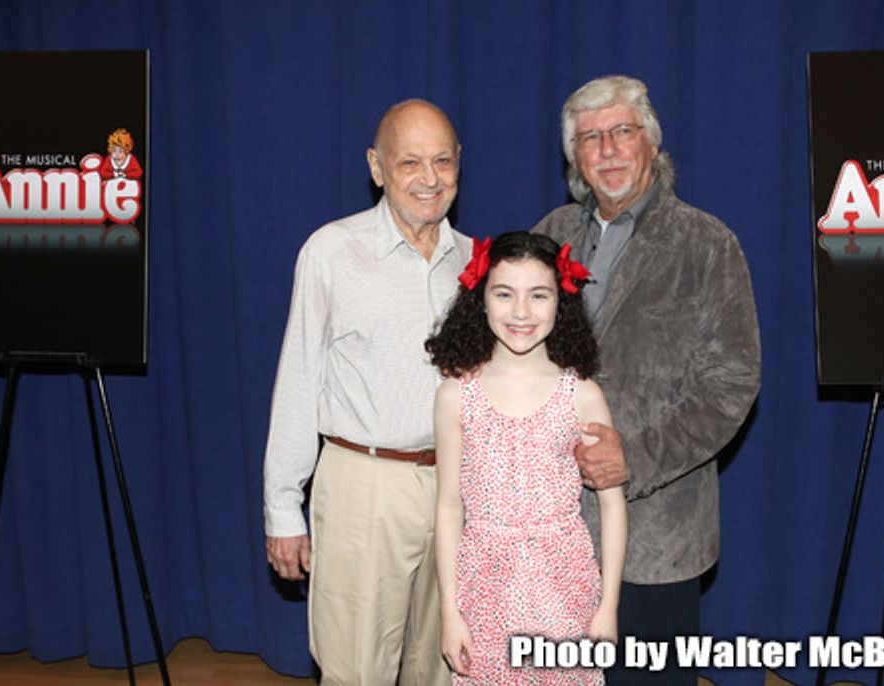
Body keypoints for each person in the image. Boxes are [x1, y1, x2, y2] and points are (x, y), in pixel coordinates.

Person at [533, 75, 761, 684]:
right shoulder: (548, 236)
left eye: (622, 132)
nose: (607, 149)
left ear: (651, 146)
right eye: (590, 138)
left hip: (657, 538)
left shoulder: (707, 244)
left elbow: (732, 384)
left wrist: (631, 457)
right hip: (551, 529)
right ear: (575, 157)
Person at [262, 99, 470, 686]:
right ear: (377, 167)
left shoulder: (477, 264)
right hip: (364, 485)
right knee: (358, 670)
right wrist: (283, 506)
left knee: (444, 665)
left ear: (460, 164)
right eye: (409, 162)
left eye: (442, 161)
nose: (429, 179)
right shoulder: (332, 252)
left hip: (458, 488)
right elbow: (299, 379)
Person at [426, 231, 627, 683]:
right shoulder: (456, 395)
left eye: (538, 295)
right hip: (483, 585)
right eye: (504, 294)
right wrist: (449, 611)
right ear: (481, 300)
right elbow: (449, 506)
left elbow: (613, 506)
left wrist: (608, 607)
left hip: (566, 584)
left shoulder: (583, 395)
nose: (520, 312)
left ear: (561, 301)